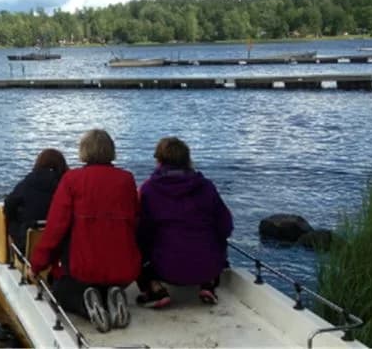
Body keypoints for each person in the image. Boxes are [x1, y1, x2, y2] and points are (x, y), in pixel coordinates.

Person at [29, 129, 140, 333]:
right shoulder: (126, 179)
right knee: (108, 278)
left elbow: (56, 228)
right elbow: (135, 220)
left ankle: (86, 306)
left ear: (84, 151)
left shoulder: (72, 180)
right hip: (123, 270)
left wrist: (36, 265)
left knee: (60, 292)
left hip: (83, 270)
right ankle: (112, 296)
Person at [135, 137, 233, 308]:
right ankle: (208, 283)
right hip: (207, 266)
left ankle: (154, 288)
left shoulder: (149, 189)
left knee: (136, 242)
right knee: (216, 236)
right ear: (187, 160)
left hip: (165, 268)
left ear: (159, 161)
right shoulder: (206, 187)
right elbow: (226, 226)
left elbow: (141, 232)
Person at [4, 148, 68, 253]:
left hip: (28, 238)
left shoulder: (29, 181)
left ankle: (9, 255)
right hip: (59, 240)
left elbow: (10, 204)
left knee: (10, 218)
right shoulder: (66, 184)